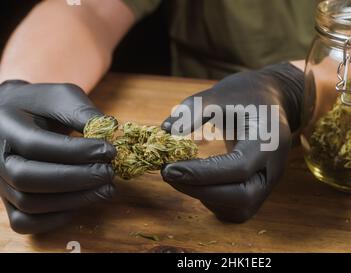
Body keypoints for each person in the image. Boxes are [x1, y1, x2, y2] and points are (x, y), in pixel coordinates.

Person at [0, 0, 322, 234]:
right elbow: (87, 10)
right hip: (194, 117)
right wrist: (17, 88)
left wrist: (296, 84)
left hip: (330, 127)